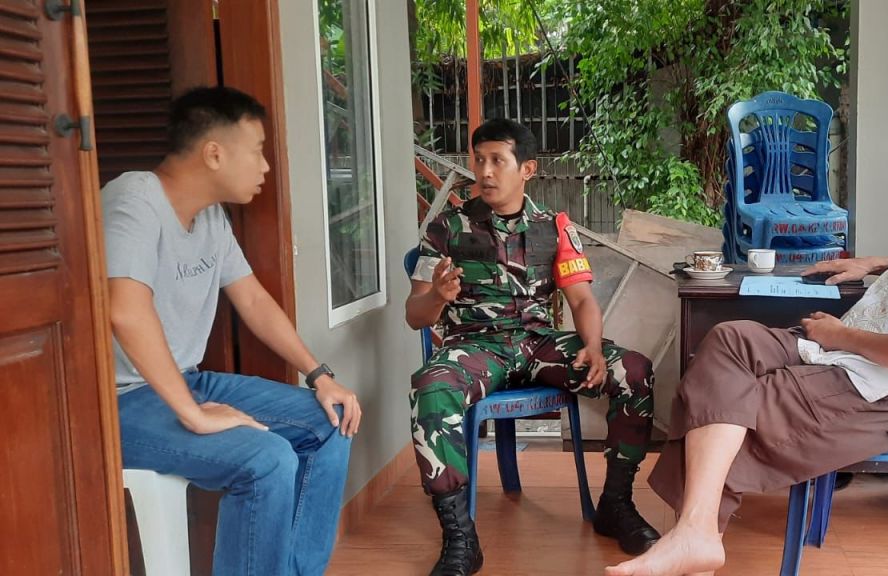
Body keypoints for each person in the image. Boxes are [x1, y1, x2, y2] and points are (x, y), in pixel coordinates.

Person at [606, 82, 888, 576]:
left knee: (744, 399)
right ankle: (698, 533)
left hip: (884, 390)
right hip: (847, 356)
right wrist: (878, 264)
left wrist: (841, 336)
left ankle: (696, 535)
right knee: (729, 339)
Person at [105, 86, 361, 575]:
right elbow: (126, 310)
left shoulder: (211, 217)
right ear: (214, 153)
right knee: (266, 458)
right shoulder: (133, 199)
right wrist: (194, 415)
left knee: (331, 420)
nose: (265, 167)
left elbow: (254, 301)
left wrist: (319, 376)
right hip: (117, 402)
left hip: (185, 381)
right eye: (257, 151)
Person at [405, 118, 661, 575]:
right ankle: (460, 537)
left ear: (527, 169)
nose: (484, 171)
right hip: (475, 346)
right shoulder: (446, 228)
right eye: (478, 160)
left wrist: (593, 347)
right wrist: (437, 298)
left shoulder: (553, 227)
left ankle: (616, 505)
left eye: (497, 161)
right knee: (430, 386)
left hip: (538, 343)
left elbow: (581, 300)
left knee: (634, 371)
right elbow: (414, 315)